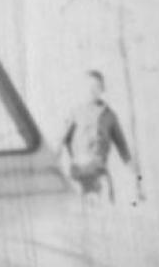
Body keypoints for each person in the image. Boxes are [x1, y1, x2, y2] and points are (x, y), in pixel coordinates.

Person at [59, 69, 142, 204]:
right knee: (77, 207)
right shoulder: (75, 112)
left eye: (96, 87)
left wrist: (135, 173)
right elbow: (61, 140)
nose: (92, 90)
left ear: (102, 89)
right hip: (78, 170)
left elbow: (122, 146)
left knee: (103, 206)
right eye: (89, 87)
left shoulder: (109, 115)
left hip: (98, 170)